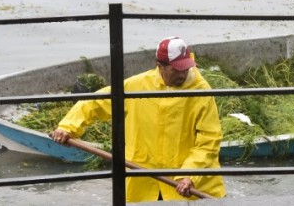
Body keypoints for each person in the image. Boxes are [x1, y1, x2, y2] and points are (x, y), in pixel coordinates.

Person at [50, 36, 226, 202]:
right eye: (176, 69)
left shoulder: (201, 92)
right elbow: (96, 102)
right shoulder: (138, 85)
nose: (183, 73)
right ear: (160, 66)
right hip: (143, 178)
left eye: (185, 68)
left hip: (184, 183)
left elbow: (209, 140)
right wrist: (68, 127)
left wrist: (189, 175)